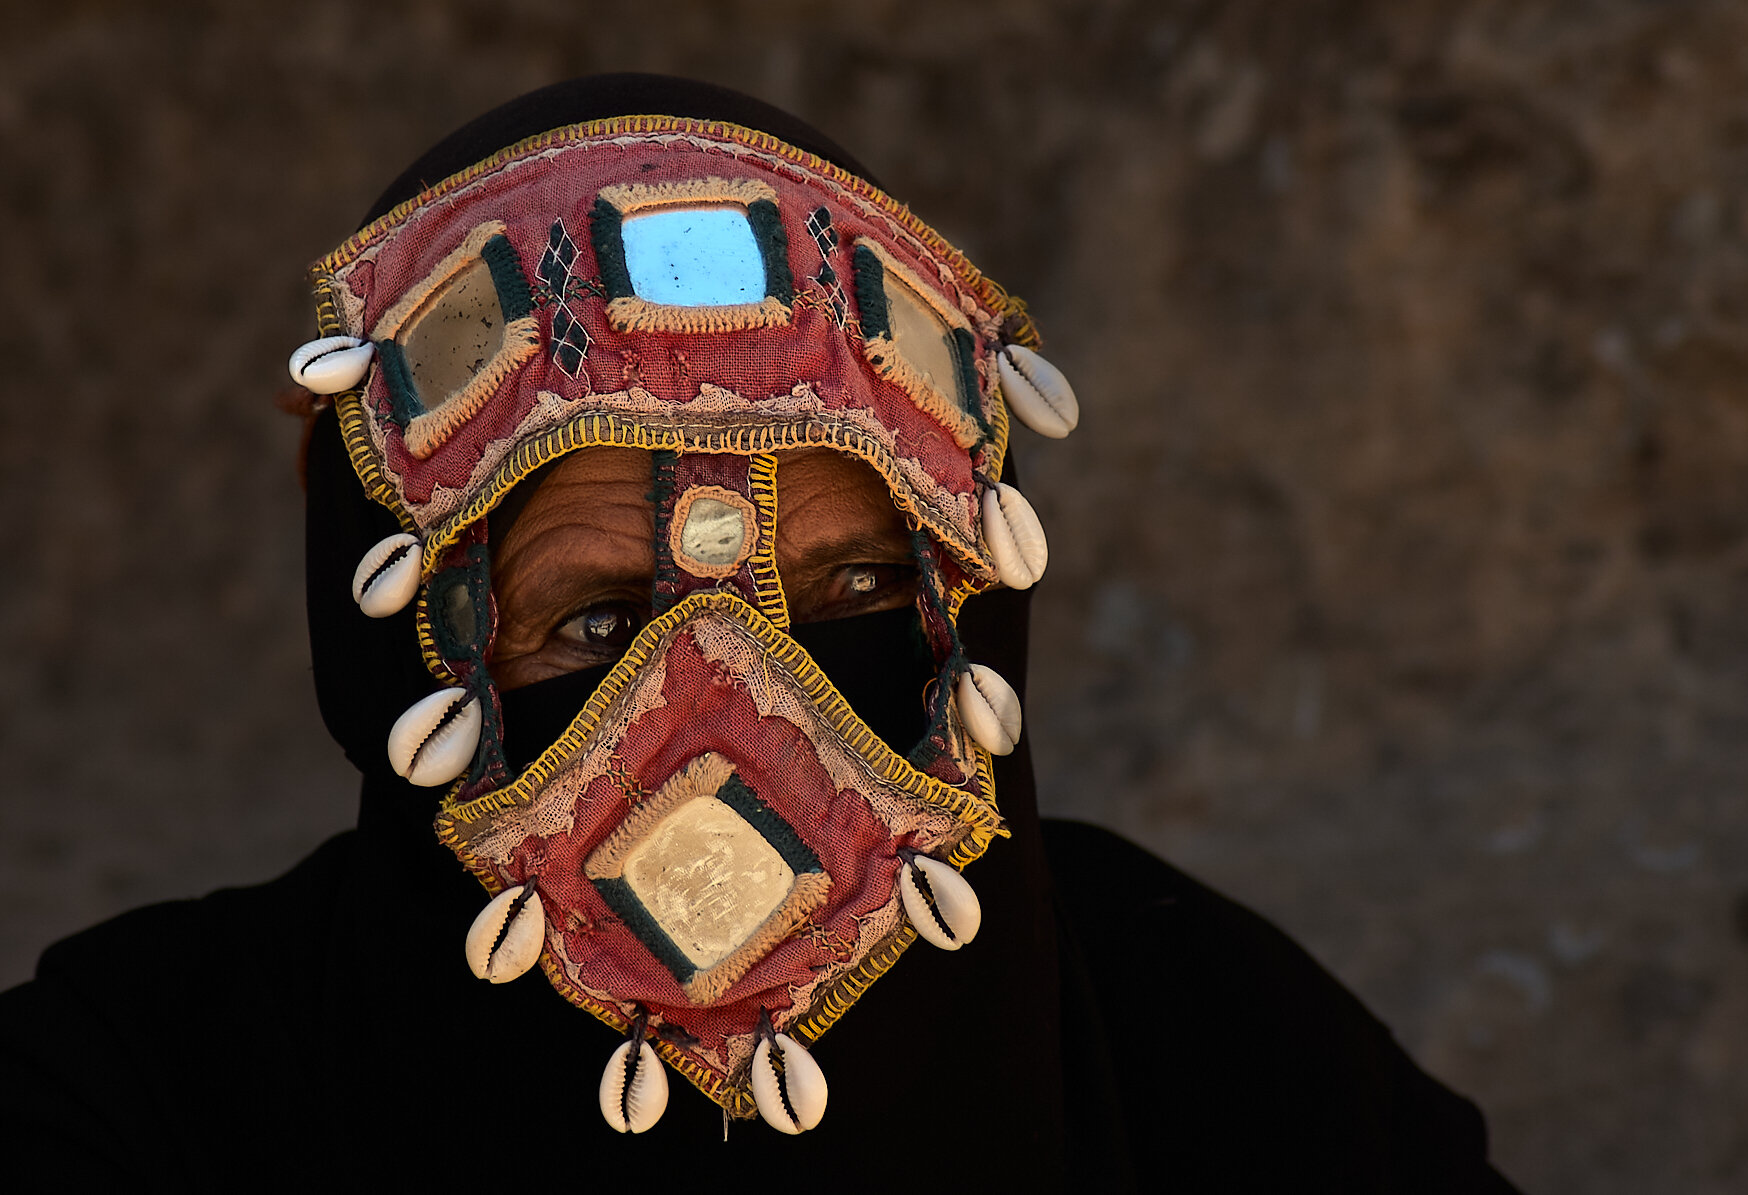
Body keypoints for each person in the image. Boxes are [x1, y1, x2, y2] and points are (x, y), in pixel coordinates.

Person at [0, 75, 1518, 1191]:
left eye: (857, 593)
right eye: (594, 620)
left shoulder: (1230, 1066)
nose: (730, 725)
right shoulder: (129, 1103)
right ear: (394, 653)